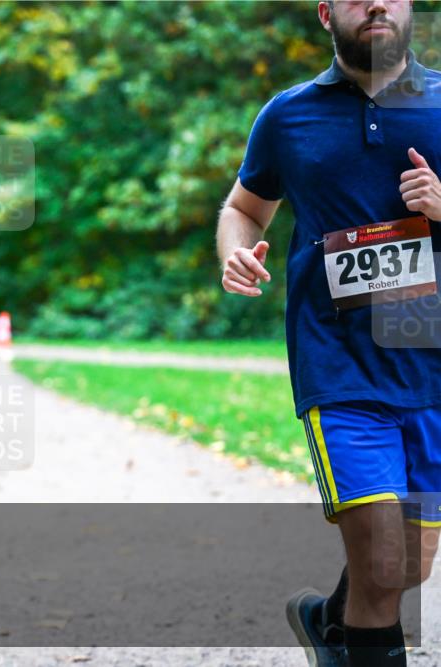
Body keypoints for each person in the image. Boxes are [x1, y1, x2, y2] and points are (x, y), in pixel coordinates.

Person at [217, 2, 440, 665]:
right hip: (339, 363)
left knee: (411, 565)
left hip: (432, 368)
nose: (374, 2)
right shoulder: (287, 115)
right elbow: (243, 207)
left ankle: (326, 621)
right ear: (325, 13)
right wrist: (236, 246)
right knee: (378, 563)